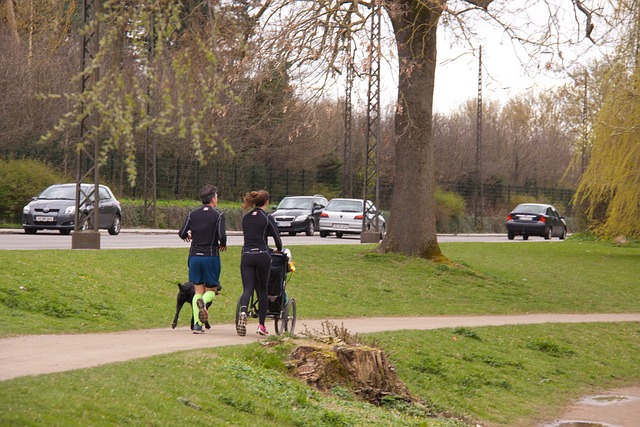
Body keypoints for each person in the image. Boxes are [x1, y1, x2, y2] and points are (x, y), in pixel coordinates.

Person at [178, 184, 227, 334]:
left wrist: (188, 236)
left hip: (194, 256)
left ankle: (197, 326)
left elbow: (181, 233)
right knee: (211, 289)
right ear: (213, 199)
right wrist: (222, 244)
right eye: (217, 197)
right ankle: (204, 303)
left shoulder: (192, 214)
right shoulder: (218, 215)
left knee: (198, 289)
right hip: (210, 256)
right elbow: (222, 236)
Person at [237, 190, 282, 336]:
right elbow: (277, 240)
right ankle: (261, 326)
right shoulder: (268, 218)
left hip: (247, 255)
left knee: (248, 288)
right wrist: (277, 250)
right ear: (267, 202)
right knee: (263, 290)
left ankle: (243, 311)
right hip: (262, 255)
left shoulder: (246, 218)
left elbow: (250, 237)